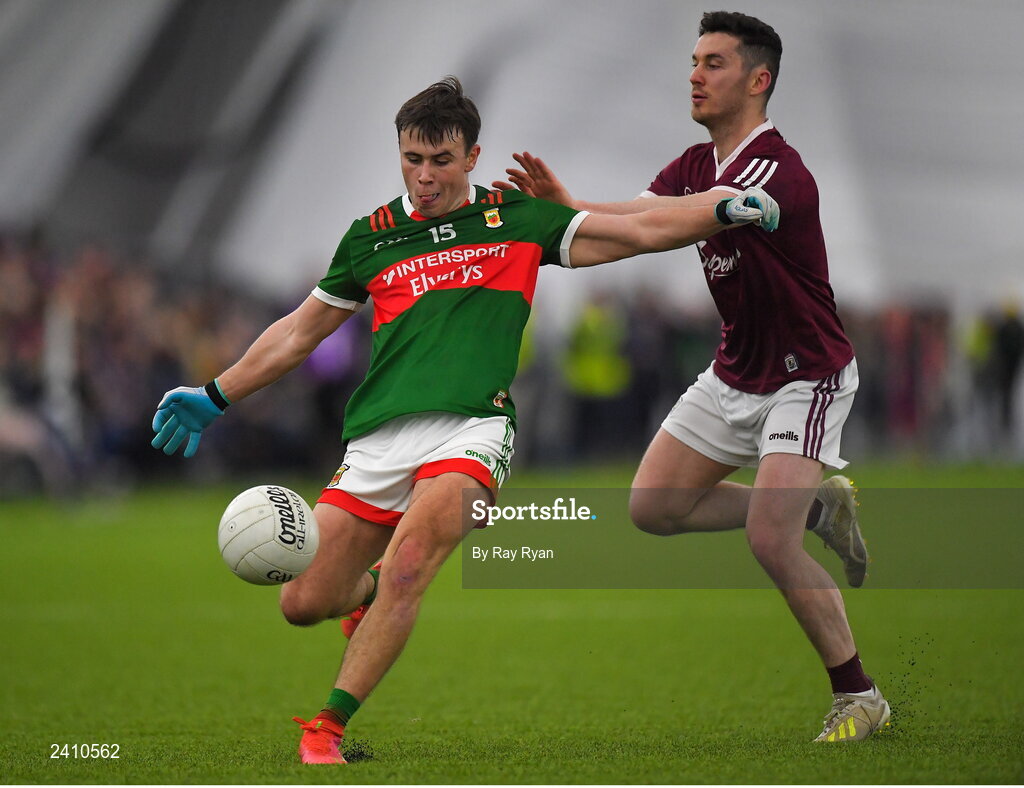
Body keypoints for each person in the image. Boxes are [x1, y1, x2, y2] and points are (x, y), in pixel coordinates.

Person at [150, 76, 780, 764]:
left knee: (413, 560)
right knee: (302, 602)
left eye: (440, 161)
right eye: (412, 159)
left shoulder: (516, 217)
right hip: (378, 442)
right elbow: (300, 333)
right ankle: (364, 594)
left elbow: (636, 229)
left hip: (474, 429)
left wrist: (724, 210)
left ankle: (325, 730)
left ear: (472, 156)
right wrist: (215, 394)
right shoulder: (370, 238)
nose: (424, 177)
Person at [496, 12, 888, 743]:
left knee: (768, 543)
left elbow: (669, 225)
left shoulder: (778, 168)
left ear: (758, 79)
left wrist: (575, 214)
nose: (695, 75)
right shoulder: (691, 165)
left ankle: (859, 696)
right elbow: (645, 217)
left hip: (807, 376)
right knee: (650, 506)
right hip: (736, 369)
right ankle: (815, 509)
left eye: (713, 63)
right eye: (694, 61)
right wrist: (565, 211)